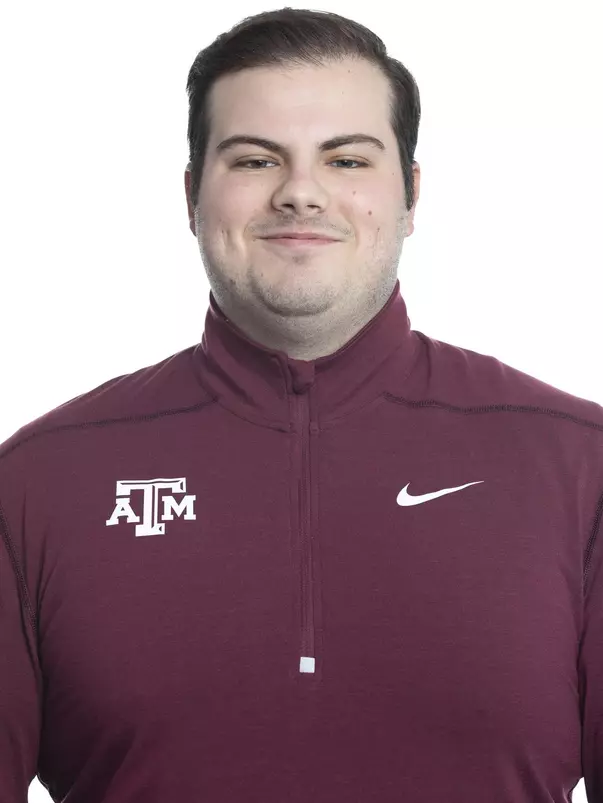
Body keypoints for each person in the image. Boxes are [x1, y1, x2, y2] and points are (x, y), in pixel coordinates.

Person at [1, 8, 601, 802]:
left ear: (411, 195)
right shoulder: (39, 480)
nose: (300, 193)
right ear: (190, 196)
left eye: (347, 160)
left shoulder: (576, 464)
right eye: (254, 160)